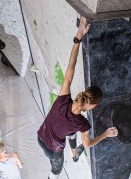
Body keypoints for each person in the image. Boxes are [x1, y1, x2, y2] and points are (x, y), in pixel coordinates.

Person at [37, 17, 119, 179]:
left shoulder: (63, 98)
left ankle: (74, 154)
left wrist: (79, 33)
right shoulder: (83, 124)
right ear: (93, 105)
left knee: (72, 132)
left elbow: (71, 65)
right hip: (54, 150)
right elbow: (87, 144)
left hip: (40, 135)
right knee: (56, 171)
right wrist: (105, 134)